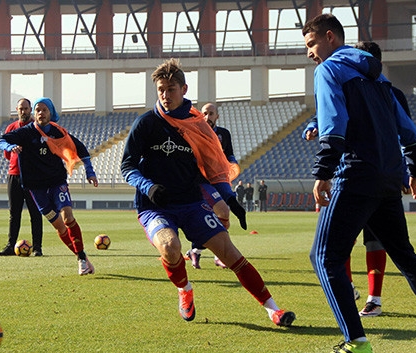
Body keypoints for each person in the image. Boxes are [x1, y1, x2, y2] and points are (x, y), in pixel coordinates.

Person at [303, 14, 416, 353]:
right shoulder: (380, 78)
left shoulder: (329, 70)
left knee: (324, 256)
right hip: (389, 178)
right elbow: (410, 133)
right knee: (405, 256)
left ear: (330, 37)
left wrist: (323, 172)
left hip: (355, 175)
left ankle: (356, 342)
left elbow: (334, 126)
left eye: (311, 44)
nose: (310, 53)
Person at [120, 58, 295, 327]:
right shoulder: (146, 123)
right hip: (155, 206)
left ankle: (274, 310)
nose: (165, 95)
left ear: (184, 89)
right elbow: (127, 167)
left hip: (191, 202)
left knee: (230, 254)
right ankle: (184, 289)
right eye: (161, 90)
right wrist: (149, 187)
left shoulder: (199, 125)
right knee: (170, 247)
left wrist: (230, 199)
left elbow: (214, 170)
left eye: (171, 89)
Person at [303, 41, 410, 318]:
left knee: (375, 243)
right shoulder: (346, 83)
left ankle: (374, 299)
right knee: (342, 241)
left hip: (367, 176)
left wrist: (406, 172)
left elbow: (403, 135)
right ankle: (349, 288)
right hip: (350, 175)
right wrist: (313, 125)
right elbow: (327, 113)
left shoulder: (389, 92)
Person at [0, 97, 99, 275]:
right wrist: (10, 146)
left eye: (44, 110)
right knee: (59, 227)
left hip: (57, 183)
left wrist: (90, 171)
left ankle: (81, 259)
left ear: (51, 113)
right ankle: (81, 256)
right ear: (34, 114)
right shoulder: (26, 132)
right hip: (36, 188)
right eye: (38, 110)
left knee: (68, 217)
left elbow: (81, 149)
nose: (41, 113)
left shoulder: (59, 132)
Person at [185, 102, 240, 270]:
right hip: (201, 181)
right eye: (204, 113)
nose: (207, 117)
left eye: (211, 113)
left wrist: (233, 164)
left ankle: (197, 251)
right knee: (218, 213)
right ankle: (215, 254)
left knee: (220, 216)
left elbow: (229, 154)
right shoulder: (194, 132)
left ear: (217, 116)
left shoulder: (224, 134)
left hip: (220, 181)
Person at [0, 98, 44, 257]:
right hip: (14, 175)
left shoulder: (36, 128)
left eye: (26, 108)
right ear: (17, 110)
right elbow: (7, 154)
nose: (23, 111)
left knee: (35, 212)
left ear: (31, 110)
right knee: (14, 213)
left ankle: (37, 247)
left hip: (33, 177)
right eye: (21, 109)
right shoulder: (11, 128)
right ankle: (11, 246)